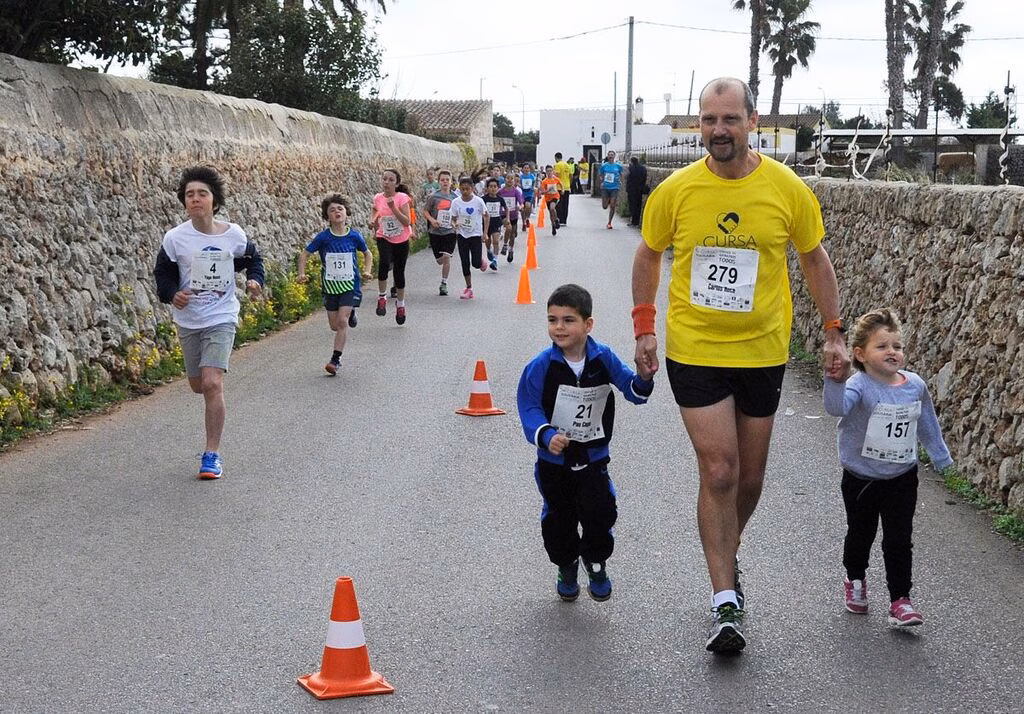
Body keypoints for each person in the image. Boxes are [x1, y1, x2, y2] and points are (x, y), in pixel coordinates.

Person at [630, 77, 850, 654]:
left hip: (762, 350)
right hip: (695, 349)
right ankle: (724, 598)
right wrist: (645, 326)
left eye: (730, 118)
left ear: (753, 121)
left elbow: (814, 258)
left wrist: (834, 332)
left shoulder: (786, 188)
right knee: (721, 471)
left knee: (750, 479)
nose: (719, 130)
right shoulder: (677, 191)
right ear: (697, 125)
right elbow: (649, 254)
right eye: (709, 119)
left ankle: (726, 550)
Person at [517, 284, 654, 602]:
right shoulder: (541, 365)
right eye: (552, 320)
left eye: (568, 320)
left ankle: (595, 562)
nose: (559, 328)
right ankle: (566, 565)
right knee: (559, 518)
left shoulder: (602, 358)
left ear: (588, 324)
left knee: (599, 512)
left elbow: (630, 388)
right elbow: (529, 405)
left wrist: (644, 378)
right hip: (554, 462)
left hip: (593, 457)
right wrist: (546, 435)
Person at [823, 307, 952, 628]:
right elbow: (835, 408)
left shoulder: (915, 385)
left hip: (901, 476)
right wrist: (835, 379)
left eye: (897, 346)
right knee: (861, 534)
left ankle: (900, 600)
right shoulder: (859, 385)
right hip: (861, 478)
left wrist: (940, 455)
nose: (892, 352)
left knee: (899, 539)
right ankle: (855, 579)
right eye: (882, 346)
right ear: (860, 354)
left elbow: (926, 422)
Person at [153, 165, 265, 480]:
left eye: (202, 193)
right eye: (190, 194)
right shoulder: (175, 238)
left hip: (221, 315)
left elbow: (253, 260)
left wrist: (255, 281)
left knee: (212, 382)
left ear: (214, 200)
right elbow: (163, 274)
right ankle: (210, 429)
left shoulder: (233, 234)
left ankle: (211, 454)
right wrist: (172, 294)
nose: (195, 199)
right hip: (189, 319)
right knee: (198, 385)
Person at [296, 194, 374, 375]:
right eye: (332, 210)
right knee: (334, 326)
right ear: (327, 216)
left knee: (342, 321)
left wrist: (367, 270)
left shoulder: (354, 236)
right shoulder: (323, 238)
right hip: (330, 286)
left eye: (340, 209)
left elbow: (367, 253)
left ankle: (335, 360)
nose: (337, 212)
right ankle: (351, 312)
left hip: (350, 285)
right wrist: (301, 273)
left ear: (347, 213)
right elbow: (304, 254)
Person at [370, 168, 413, 325]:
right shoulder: (378, 198)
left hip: (401, 238)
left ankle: (400, 305)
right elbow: (375, 210)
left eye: (390, 180)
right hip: (384, 236)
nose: (386, 182)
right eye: (384, 179)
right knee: (384, 263)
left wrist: (394, 207)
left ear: (397, 183)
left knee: (399, 272)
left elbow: (407, 222)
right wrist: (373, 221)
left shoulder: (402, 198)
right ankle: (382, 297)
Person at [449, 176, 490, 299]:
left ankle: (480, 261)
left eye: (467, 189)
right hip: (462, 235)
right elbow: (453, 218)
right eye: (462, 189)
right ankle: (469, 288)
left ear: (472, 188)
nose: (465, 191)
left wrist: (485, 233)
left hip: (476, 234)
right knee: (465, 262)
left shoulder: (478, 201)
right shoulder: (456, 202)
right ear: (459, 189)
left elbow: (486, 216)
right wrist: (454, 225)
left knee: (476, 264)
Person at [424, 169, 458, 296]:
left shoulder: (455, 198)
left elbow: (458, 214)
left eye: (447, 180)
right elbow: (425, 211)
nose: (445, 182)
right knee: (440, 260)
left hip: (450, 231)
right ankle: (442, 262)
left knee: (447, 257)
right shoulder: (433, 197)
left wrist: (455, 222)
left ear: (451, 182)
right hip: (435, 232)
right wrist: (432, 220)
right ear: (439, 182)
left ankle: (444, 283)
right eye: (442, 180)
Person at [481, 177, 507, 271]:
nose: (493, 188)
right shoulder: (483, 199)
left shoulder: (500, 199)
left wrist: (507, 218)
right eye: (491, 186)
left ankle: (495, 260)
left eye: (495, 186)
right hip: (486, 224)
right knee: (488, 241)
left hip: (496, 222)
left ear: (498, 188)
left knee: (496, 241)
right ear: (487, 188)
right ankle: (488, 250)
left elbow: (506, 208)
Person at [498, 173, 524, 262]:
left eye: (511, 178)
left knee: (513, 234)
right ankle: (505, 245)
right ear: (505, 179)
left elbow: (521, 203)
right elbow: (494, 199)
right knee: (508, 227)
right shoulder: (500, 191)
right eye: (508, 178)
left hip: (514, 215)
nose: (509, 180)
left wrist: (520, 207)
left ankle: (510, 249)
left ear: (514, 180)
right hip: (504, 214)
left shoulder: (516, 191)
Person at [598, 150, 623, 229]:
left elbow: (621, 173)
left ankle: (609, 223)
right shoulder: (604, 166)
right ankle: (607, 200)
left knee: (612, 205)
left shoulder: (618, 166)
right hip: (605, 187)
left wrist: (620, 180)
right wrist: (602, 182)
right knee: (605, 206)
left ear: (614, 156)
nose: (611, 156)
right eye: (609, 155)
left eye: (612, 155)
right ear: (608, 156)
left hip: (615, 187)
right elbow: (600, 175)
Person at [625, 156, 649, 227]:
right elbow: (645, 178)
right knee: (638, 205)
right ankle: (637, 222)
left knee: (632, 205)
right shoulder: (643, 168)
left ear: (631, 161)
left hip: (631, 189)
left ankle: (633, 221)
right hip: (640, 189)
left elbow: (627, 177)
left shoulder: (630, 168)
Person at [539, 165, 562, 236]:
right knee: (551, 213)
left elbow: (561, 184)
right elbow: (542, 192)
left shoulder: (556, 179)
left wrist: (563, 190)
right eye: (548, 171)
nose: (549, 172)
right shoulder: (544, 181)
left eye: (550, 171)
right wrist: (547, 190)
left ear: (553, 171)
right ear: (546, 172)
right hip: (548, 198)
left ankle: (556, 219)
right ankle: (553, 226)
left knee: (552, 208)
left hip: (555, 196)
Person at [553, 152, 572, 226]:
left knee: (559, 204)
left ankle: (560, 219)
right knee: (565, 204)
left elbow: (557, 175)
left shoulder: (557, 165)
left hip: (559, 187)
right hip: (567, 187)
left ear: (556, 158)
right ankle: (564, 220)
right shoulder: (567, 165)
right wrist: (569, 183)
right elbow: (571, 176)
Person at [519, 162, 537, 231]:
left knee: (528, 206)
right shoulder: (521, 177)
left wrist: (533, 188)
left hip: (529, 193)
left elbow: (533, 184)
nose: (526, 169)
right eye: (525, 168)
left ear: (529, 169)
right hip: (522, 194)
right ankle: (523, 223)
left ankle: (527, 218)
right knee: (522, 209)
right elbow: (519, 184)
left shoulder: (532, 176)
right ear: (523, 169)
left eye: (527, 168)